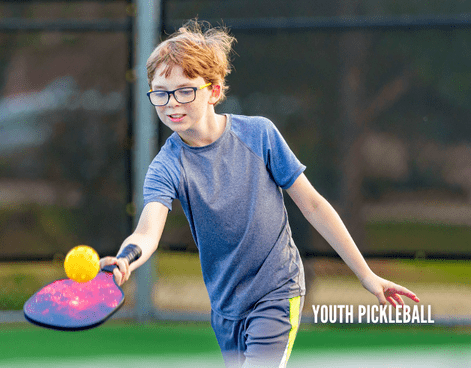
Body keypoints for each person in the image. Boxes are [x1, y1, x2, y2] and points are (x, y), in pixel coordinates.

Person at [100, 19, 420, 368]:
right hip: (225, 306)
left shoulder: (259, 135)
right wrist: (126, 258)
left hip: (277, 290)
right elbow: (148, 231)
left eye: (185, 90)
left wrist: (367, 276)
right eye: (160, 92)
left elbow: (313, 205)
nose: (171, 103)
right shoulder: (166, 166)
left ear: (214, 91)